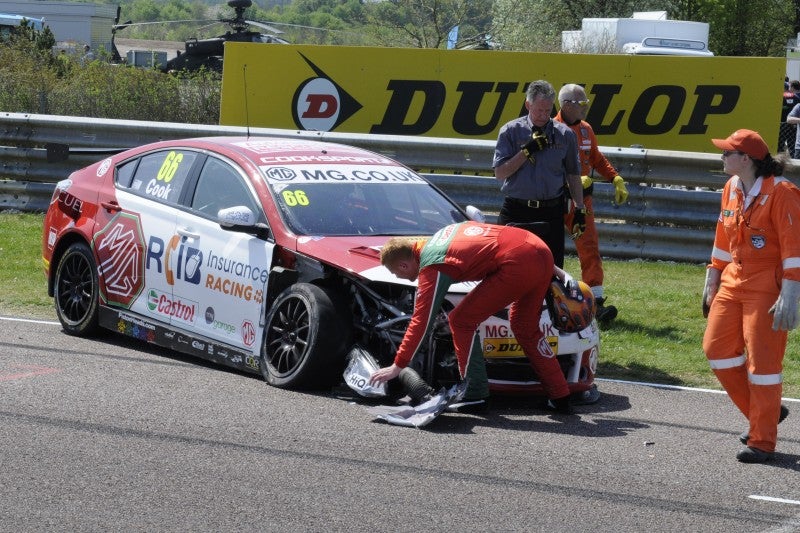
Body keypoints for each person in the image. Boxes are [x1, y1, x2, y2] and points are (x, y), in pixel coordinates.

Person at [369, 221, 576, 414]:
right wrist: (553, 269)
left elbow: (421, 321)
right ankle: (560, 396)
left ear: (404, 265)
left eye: (397, 273)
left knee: (460, 320)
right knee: (525, 326)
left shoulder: (432, 264)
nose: (398, 278)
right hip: (540, 249)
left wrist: (398, 365)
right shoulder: (443, 233)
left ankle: (475, 394)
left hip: (518, 262)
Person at [702, 128, 797, 463]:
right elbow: (722, 237)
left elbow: (794, 247)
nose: (723, 156)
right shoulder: (730, 187)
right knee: (716, 349)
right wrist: (712, 276)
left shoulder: (783, 192)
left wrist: (791, 291)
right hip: (732, 280)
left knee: (763, 366)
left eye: (728, 152)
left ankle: (762, 440)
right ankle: (766, 414)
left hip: (766, 288)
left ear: (747, 159)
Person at [493, 80, 585, 268]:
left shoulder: (565, 135)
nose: (544, 115)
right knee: (508, 266)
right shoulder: (510, 132)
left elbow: (574, 174)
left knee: (551, 269)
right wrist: (527, 151)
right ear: (528, 105)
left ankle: (548, 299)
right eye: (539, 110)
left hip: (550, 211)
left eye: (548, 110)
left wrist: (580, 208)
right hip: (517, 210)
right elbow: (500, 173)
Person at [556, 83, 629, 322]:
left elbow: (596, 158)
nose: (585, 108)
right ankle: (550, 300)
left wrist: (615, 177)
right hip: (555, 200)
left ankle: (595, 303)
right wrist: (570, 181)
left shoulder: (586, 129)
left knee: (590, 248)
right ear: (566, 105)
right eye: (581, 104)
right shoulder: (552, 128)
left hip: (582, 202)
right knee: (550, 250)